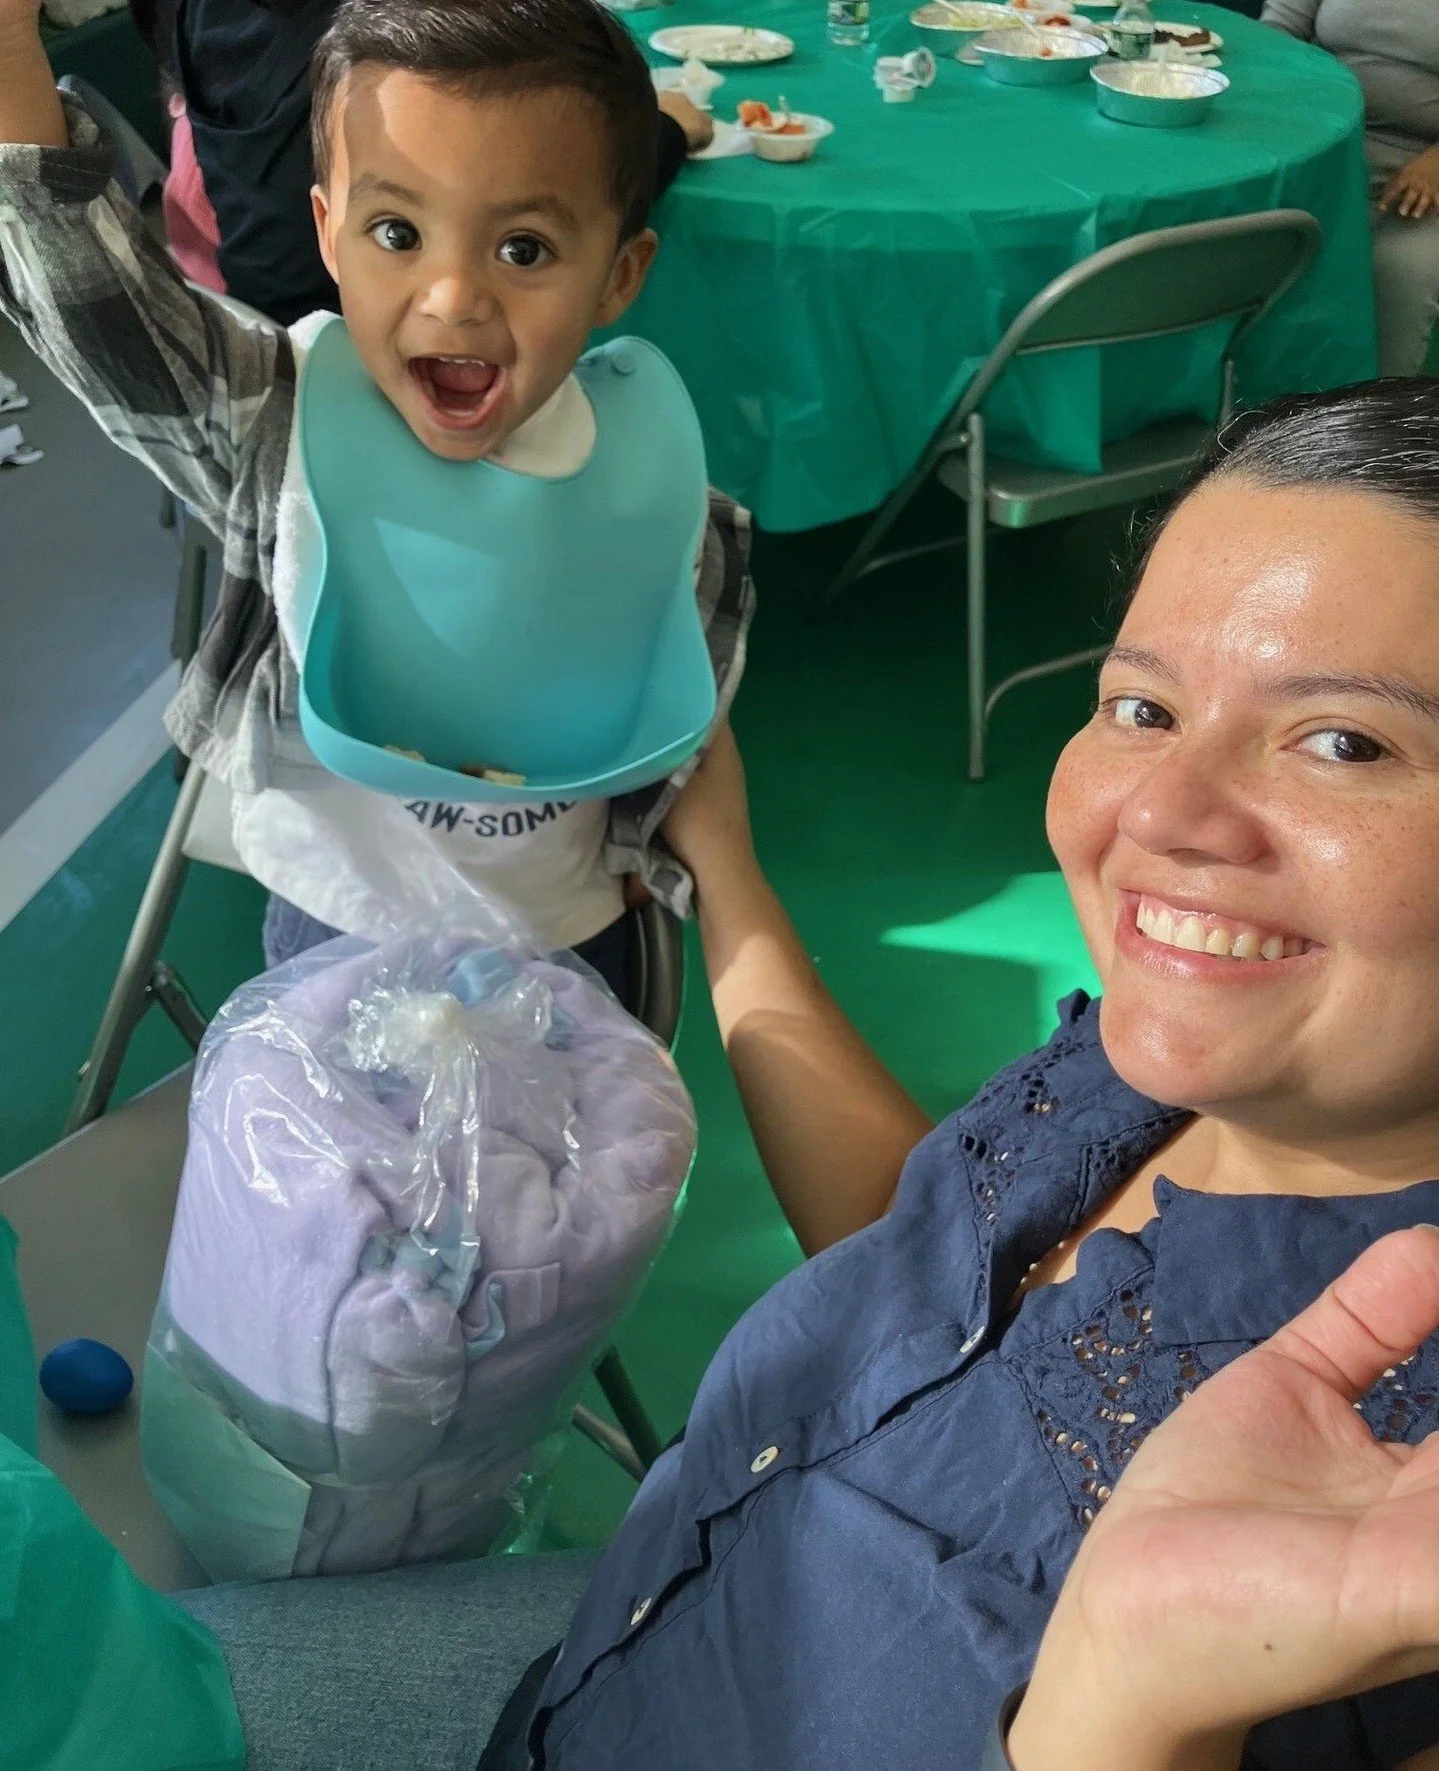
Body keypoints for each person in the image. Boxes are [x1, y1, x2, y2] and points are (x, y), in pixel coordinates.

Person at [163, 375, 1439, 1771]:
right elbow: (926, 1241)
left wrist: (1125, 1701)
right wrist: (730, 875)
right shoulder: (1165, 1071)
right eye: (1139, 706)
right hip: (594, 1674)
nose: (1159, 813)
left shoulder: (1393, 1521)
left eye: (1342, 740)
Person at [0, 0, 754, 1002]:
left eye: (522, 249)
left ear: (617, 274)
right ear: (329, 230)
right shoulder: (279, 423)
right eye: (395, 232)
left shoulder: (664, 487)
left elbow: (669, 714)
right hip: (337, 926)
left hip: (573, 937)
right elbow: (95, 299)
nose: (452, 298)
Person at [128, 0, 714, 324]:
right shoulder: (381, 38)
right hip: (336, 344)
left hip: (237, 295)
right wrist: (664, 133)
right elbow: (533, 167)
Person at [1261, 0, 1439, 376]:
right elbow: (1275, 34)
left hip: (1422, 167)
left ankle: (1377, 423)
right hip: (1319, 140)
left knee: (1398, 270)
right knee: (1254, 233)